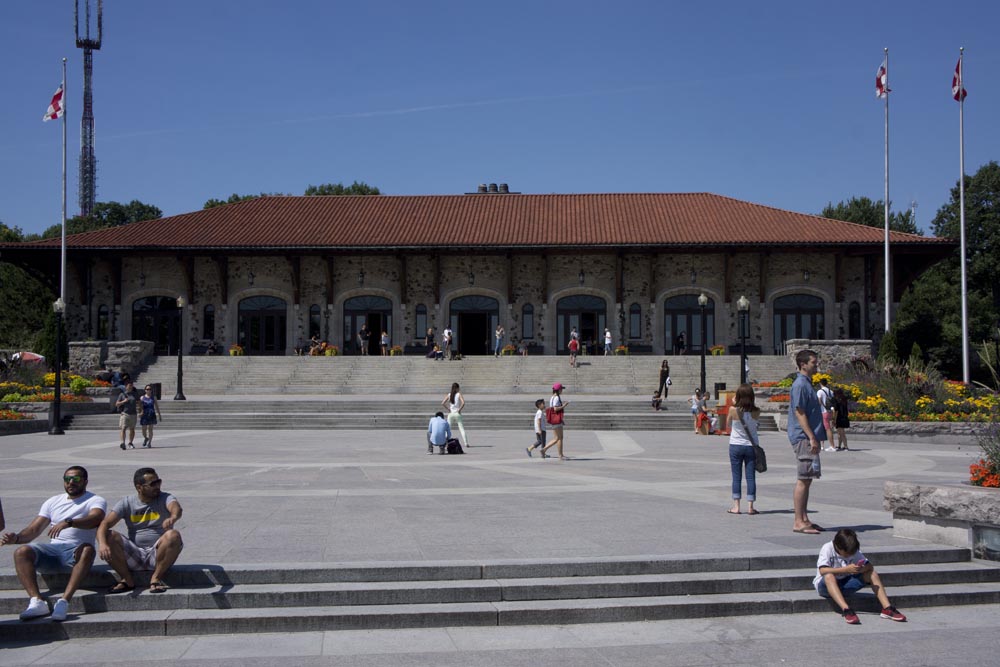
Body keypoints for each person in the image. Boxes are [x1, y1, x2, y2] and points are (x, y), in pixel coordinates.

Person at [0, 466, 107, 621]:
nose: (71, 482)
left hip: (76, 551)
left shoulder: (95, 500)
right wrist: (16, 538)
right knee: (21, 552)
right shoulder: (53, 501)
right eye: (67, 479)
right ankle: (37, 602)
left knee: (88, 550)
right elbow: (34, 529)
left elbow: (95, 518)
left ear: (85, 481)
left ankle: (64, 601)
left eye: (76, 479)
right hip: (53, 550)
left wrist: (70, 522)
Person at [97, 467, 183, 594]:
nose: (157, 486)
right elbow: (105, 523)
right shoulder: (127, 502)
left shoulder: (165, 498)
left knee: (173, 535)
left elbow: (176, 508)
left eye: (158, 482)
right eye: (152, 484)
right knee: (109, 535)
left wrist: (173, 517)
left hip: (158, 554)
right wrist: (102, 544)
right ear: (139, 487)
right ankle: (127, 580)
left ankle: (156, 578)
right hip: (134, 554)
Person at [814, 528, 907, 624]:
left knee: (872, 573)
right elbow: (822, 570)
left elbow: (870, 566)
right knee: (829, 576)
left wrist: (861, 569)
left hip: (845, 583)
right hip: (826, 587)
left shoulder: (853, 550)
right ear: (838, 547)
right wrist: (845, 570)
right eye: (846, 554)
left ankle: (887, 608)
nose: (849, 556)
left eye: (851, 554)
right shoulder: (827, 548)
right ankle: (846, 610)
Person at [788, 348, 824, 534]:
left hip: (808, 436)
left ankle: (804, 518)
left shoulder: (806, 383)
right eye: (813, 363)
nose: (816, 365)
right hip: (803, 437)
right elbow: (799, 412)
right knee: (803, 478)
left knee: (808, 477)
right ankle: (798, 521)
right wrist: (811, 436)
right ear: (803, 364)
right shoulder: (800, 385)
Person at [727, 384, 759, 515]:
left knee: (736, 476)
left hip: (735, 444)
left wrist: (735, 403)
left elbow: (728, 424)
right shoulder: (756, 411)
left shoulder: (733, 410)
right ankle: (750, 506)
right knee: (750, 477)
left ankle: (736, 506)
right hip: (751, 446)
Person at [541, 383, 569, 460]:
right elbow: (555, 409)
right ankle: (559, 455)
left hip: (554, 419)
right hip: (556, 420)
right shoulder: (556, 398)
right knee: (559, 438)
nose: (562, 390)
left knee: (558, 437)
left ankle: (545, 450)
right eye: (561, 389)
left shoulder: (552, 397)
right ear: (558, 390)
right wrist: (564, 405)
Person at [442, 382, 469, 448]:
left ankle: (445, 443)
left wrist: (448, 409)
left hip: (451, 414)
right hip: (457, 413)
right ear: (457, 388)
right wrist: (459, 409)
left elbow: (442, 403)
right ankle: (466, 443)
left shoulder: (449, 394)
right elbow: (463, 403)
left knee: (448, 429)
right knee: (461, 429)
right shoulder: (459, 394)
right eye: (458, 388)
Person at [116, 379, 141, 450]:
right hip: (125, 414)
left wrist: (140, 410)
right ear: (126, 386)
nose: (131, 387)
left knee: (132, 429)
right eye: (129, 386)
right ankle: (122, 443)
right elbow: (117, 404)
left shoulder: (135, 394)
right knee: (123, 428)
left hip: (133, 414)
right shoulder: (122, 394)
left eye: (132, 385)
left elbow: (139, 402)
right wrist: (123, 401)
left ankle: (130, 442)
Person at [139, 384, 163, 448]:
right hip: (144, 414)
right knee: (143, 430)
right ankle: (146, 438)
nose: (148, 390)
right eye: (147, 389)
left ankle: (149, 442)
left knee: (150, 429)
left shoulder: (153, 397)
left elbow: (157, 407)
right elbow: (140, 407)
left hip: (151, 414)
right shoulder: (142, 397)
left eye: (150, 389)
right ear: (145, 390)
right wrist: (140, 412)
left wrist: (159, 415)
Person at [817, 378, 835, 452]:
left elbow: (819, 401)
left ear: (820, 384)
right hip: (830, 411)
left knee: (827, 429)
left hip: (824, 411)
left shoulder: (820, 391)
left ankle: (832, 446)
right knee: (828, 428)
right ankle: (823, 445)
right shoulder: (831, 391)